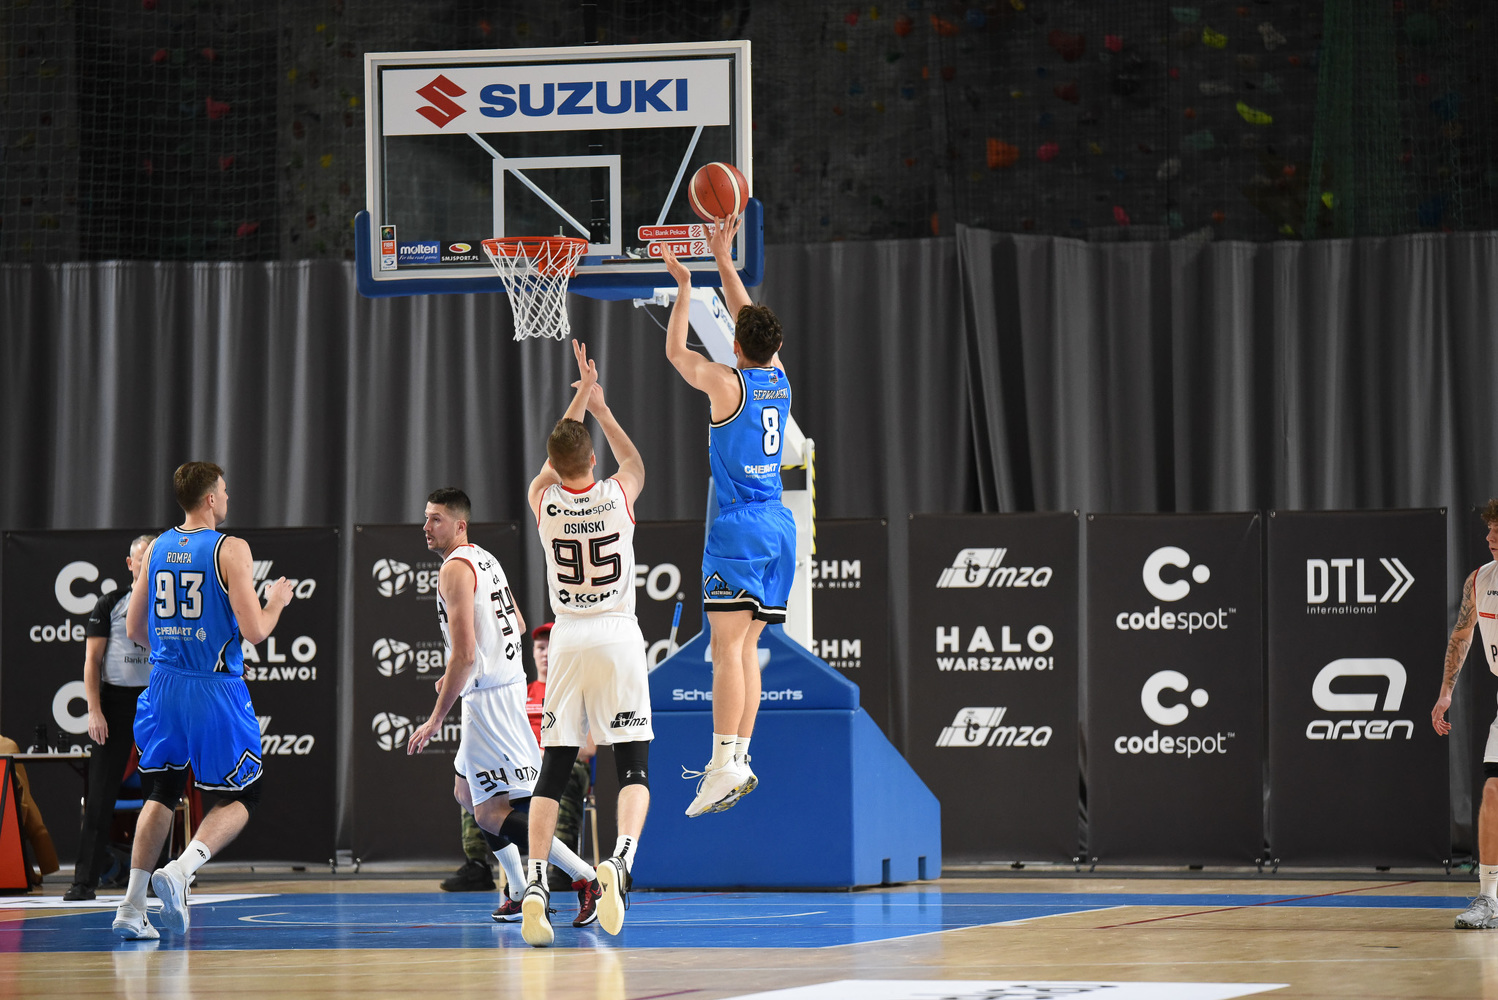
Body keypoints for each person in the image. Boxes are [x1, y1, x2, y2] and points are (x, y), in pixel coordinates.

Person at [114, 463, 295, 940]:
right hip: (213, 687)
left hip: (164, 684)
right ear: (211, 498)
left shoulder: (157, 547)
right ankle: (181, 870)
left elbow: (134, 629)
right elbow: (255, 630)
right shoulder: (230, 548)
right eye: (225, 491)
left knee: (162, 790)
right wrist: (277, 601)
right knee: (244, 794)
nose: (228, 497)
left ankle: (131, 907)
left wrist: (176, 652)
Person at [405, 488, 600, 928]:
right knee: (465, 792)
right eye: (426, 517)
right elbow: (516, 622)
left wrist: (436, 718)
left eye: (436, 519)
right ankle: (516, 889)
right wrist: (471, 671)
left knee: (490, 812)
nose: (426, 526)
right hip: (501, 687)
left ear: (459, 525)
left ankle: (584, 877)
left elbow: (464, 655)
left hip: (489, 701)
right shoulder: (485, 558)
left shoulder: (454, 569)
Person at [660, 220, 794, 818]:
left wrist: (686, 287)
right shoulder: (778, 379)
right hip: (777, 523)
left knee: (725, 648)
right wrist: (723, 258)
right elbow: (749, 319)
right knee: (746, 646)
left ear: (736, 345)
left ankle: (722, 763)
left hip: (740, 525)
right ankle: (738, 755)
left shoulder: (724, 382)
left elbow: (675, 353)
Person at [520, 340, 651, 947]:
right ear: (593, 458)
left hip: (568, 636)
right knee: (633, 765)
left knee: (552, 770)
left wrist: (576, 405)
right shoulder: (616, 495)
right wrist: (600, 406)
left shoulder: (544, 501)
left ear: (552, 463)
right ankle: (619, 861)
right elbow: (635, 461)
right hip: (616, 633)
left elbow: (557, 458)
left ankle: (535, 885)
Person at [65, 533, 156, 901]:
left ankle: (155, 879)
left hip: (155, 702)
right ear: (130, 564)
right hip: (115, 703)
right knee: (100, 794)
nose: (146, 566)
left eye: (152, 560)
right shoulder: (110, 603)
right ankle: (84, 881)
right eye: (141, 560)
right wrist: (95, 710)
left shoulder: (169, 605)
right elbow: (92, 660)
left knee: (158, 794)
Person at [1434, 499, 1498, 929]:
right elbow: (1462, 635)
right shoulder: (1480, 580)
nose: (1490, 538)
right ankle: (1488, 898)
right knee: (1493, 792)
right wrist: (1445, 694)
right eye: (1489, 530)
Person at [524, 620, 597, 892]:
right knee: (478, 779)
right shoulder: (522, 693)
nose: (545, 654)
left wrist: (548, 754)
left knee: (563, 774)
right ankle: (479, 867)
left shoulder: (577, 691)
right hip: (525, 767)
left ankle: (563, 870)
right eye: (540, 648)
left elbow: (589, 749)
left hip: (564, 765)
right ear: (533, 653)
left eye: (550, 647)